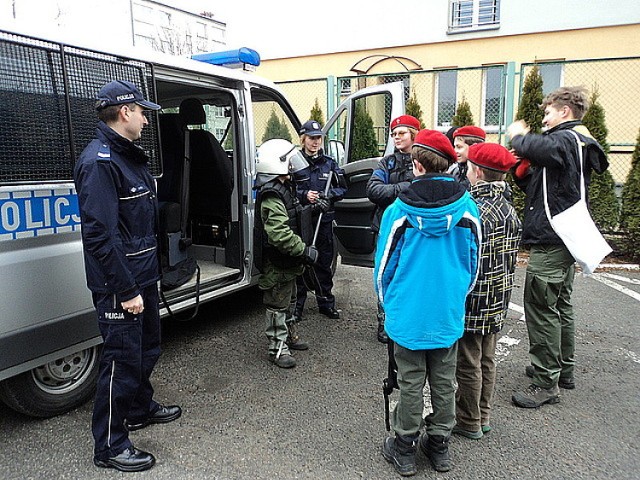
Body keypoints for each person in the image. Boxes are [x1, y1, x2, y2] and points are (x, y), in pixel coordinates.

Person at [74, 80, 181, 472]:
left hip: (142, 276)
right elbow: (101, 237)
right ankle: (110, 445)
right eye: (142, 112)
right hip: (122, 286)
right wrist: (125, 289)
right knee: (120, 362)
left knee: (147, 349)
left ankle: (138, 408)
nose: (146, 121)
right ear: (125, 113)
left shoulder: (126, 156)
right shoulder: (100, 162)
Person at [375, 129, 481, 475]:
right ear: (450, 163)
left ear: (416, 165)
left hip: (407, 312)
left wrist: (387, 304)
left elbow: (384, 267)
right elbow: (474, 261)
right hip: (446, 311)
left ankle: (404, 447)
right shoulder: (467, 208)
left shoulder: (398, 211)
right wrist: (456, 299)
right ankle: (439, 445)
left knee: (409, 381)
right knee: (444, 380)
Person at [507, 86, 608, 408]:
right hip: (562, 237)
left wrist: (519, 136)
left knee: (541, 307)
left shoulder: (568, 138)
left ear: (564, 111)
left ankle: (545, 380)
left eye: (548, 112)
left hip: (552, 240)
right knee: (560, 304)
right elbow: (546, 186)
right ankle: (563, 369)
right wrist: (522, 171)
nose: (544, 119)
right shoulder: (573, 143)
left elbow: (540, 148)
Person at [454, 143, 522, 440]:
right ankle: (483, 415)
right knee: (487, 358)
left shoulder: (473, 209)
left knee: (468, 362)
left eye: (469, 168)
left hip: (474, 298)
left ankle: (468, 421)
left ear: (478, 172)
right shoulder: (509, 209)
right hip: (498, 298)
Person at [254, 138, 319, 368]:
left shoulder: (283, 188)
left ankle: (289, 336)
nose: (293, 166)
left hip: (288, 262)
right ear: (277, 164)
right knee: (277, 305)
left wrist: (311, 208)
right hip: (278, 263)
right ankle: (277, 348)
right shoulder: (272, 195)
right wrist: (304, 251)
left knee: (289, 301)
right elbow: (279, 234)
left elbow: (293, 215)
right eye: (289, 161)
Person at [366, 114, 421, 343]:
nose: (397, 137)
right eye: (394, 134)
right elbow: (373, 190)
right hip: (387, 228)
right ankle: (385, 322)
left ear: (413, 135)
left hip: (415, 230)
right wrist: (405, 187)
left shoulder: (422, 159)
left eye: (402, 133)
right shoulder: (386, 162)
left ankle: (408, 320)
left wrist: (393, 190)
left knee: (410, 274)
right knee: (385, 273)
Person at [293, 120, 347, 320]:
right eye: (311, 138)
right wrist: (305, 194)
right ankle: (297, 306)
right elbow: (289, 190)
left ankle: (326, 303)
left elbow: (343, 189)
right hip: (302, 221)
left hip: (323, 221)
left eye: (318, 138)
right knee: (299, 262)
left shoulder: (330, 163)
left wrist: (329, 196)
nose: (315, 142)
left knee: (323, 264)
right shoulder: (294, 161)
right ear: (303, 139)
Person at [448, 125, 486, 190]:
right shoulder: (455, 171)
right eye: (454, 147)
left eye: (459, 147)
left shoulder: (482, 173)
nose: (455, 151)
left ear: (474, 147)